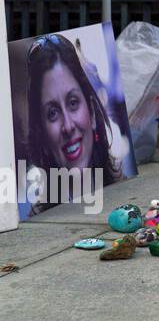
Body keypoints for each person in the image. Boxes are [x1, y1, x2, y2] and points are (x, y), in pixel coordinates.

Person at [22, 33, 131, 215]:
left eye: (73, 103)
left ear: (92, 113)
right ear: (42, 135)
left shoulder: (125, 189)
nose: (68, 126)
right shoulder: (34, 212)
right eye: (53, 113)